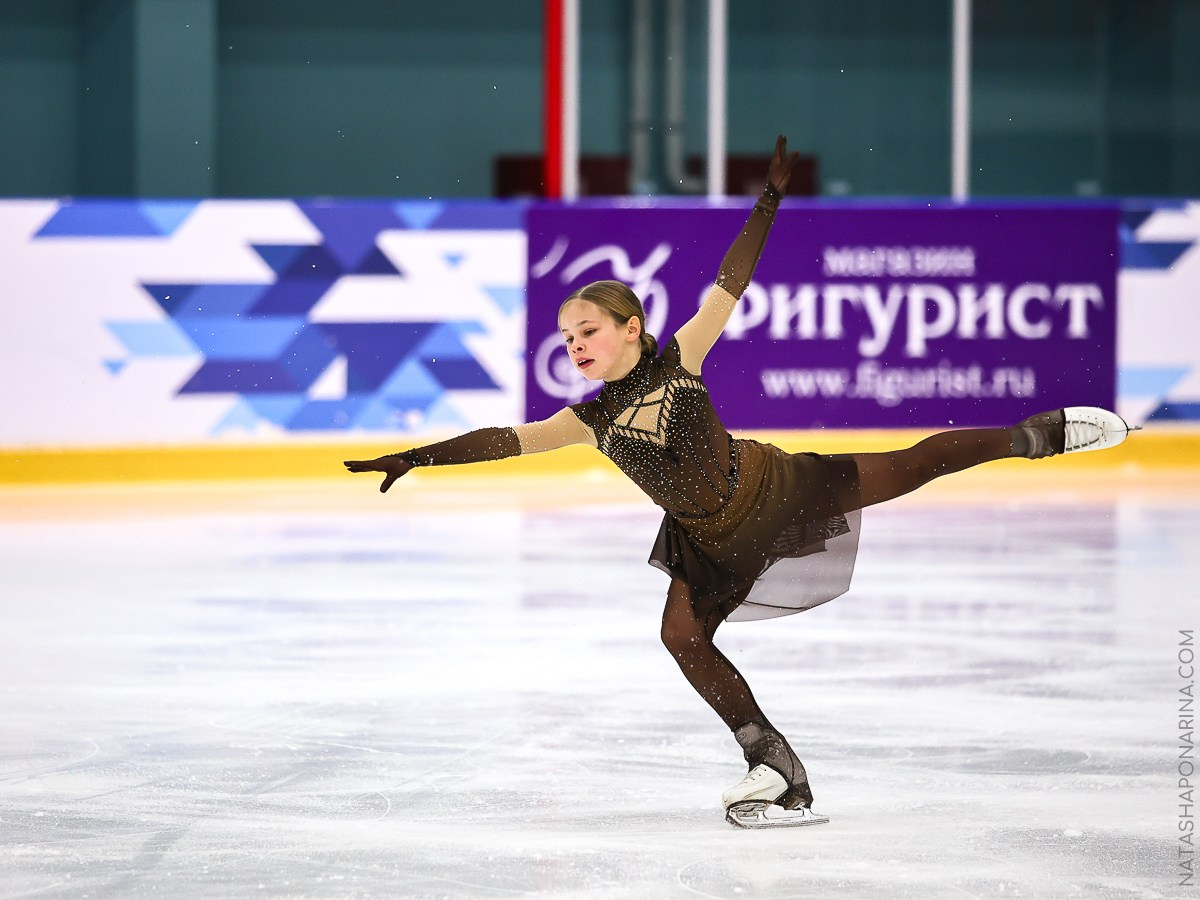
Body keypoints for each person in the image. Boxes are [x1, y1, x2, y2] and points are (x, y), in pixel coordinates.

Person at [345, 135, 1137, 829]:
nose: (575, 344)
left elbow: (731, 279)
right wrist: (417, 457)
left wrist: (767, 201)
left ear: (631, 328)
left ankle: (1043, 433)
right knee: (680, 637)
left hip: (775, 489)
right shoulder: (586, 419)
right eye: (565, 337)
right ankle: (774, 763)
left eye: (588, 330)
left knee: (912, 464)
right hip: (708, 540)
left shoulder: (681, 357)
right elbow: (506, 440)